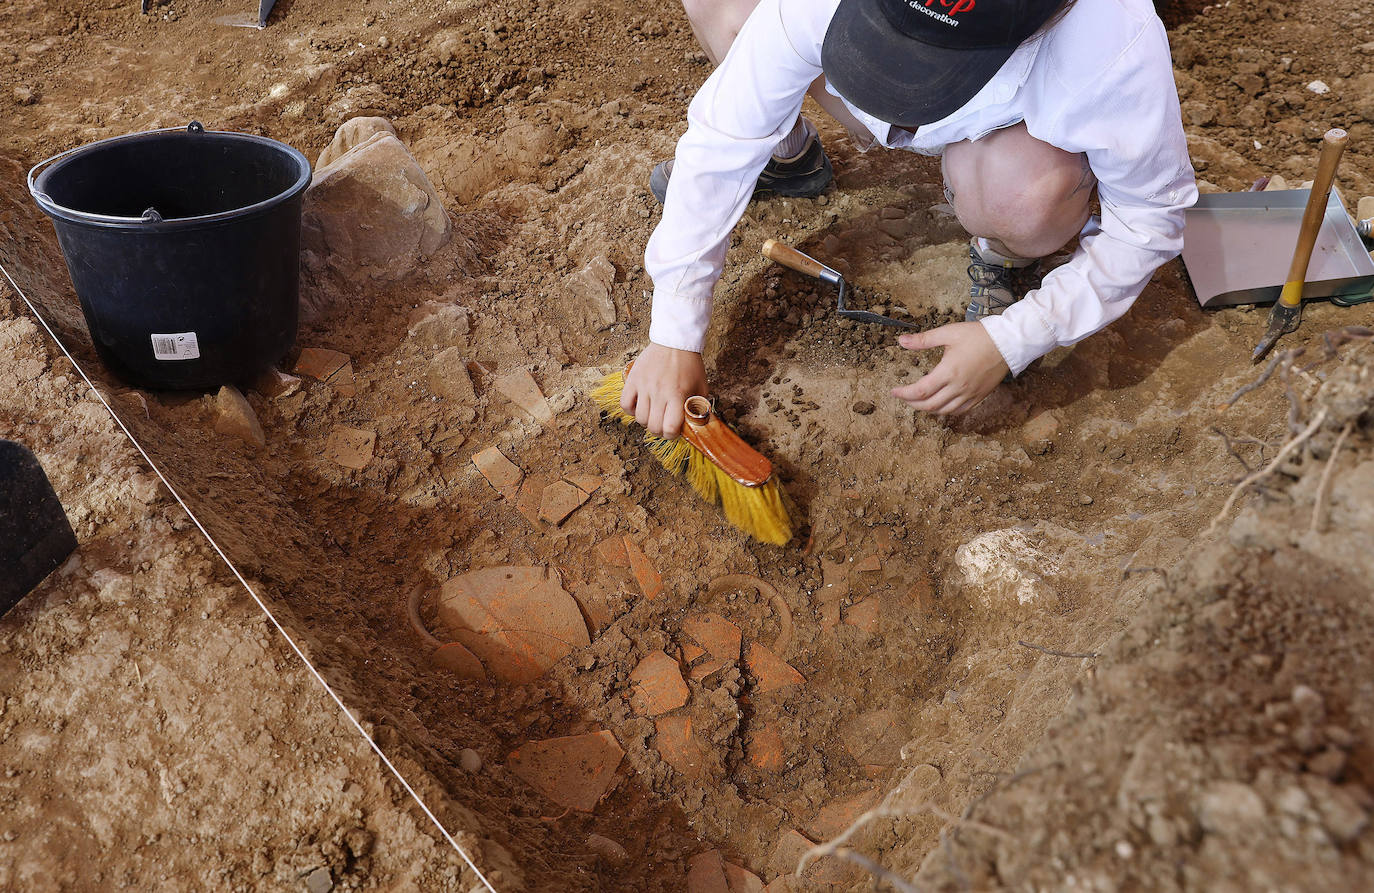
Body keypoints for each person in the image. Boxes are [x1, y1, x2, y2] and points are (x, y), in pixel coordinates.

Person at [620, 0, 1197, 437]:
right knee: (727, 9)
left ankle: (1003, 246)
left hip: (1002, 137)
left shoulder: (1111, 37)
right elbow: (721, 142)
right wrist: (674, 331)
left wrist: (1016, 337)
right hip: (843, 35)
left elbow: (1149, 216)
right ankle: (789, 153)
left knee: (1021, 197)